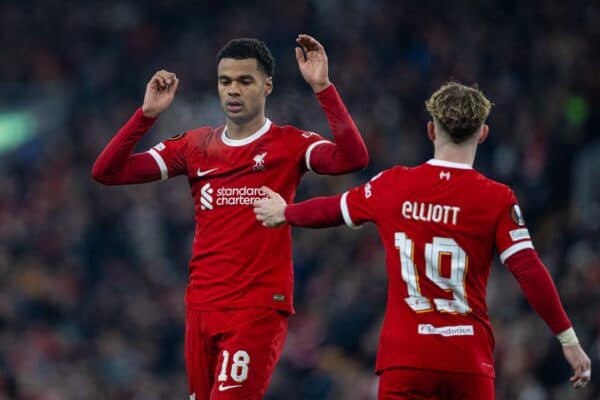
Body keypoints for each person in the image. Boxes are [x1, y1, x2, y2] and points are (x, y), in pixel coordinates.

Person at [253, 81, 592, 399]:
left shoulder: (393, 184)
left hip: (405, 359)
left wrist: (287, 212)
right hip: (467, 362)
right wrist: (568, 339)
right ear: (483, 133)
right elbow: (528, 269)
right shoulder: (497, 198)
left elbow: (331, 210)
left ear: (431, 130)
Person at [92, 35, 368, 400]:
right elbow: (107, 171)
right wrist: (146, 116)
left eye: (245, 81)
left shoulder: (289, 144)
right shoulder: (195, 145)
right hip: (201, 308)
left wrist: (323, 87)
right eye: (225, 82)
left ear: (267, 85)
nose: (233, 91)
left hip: (255, 309)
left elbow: (353, 159)